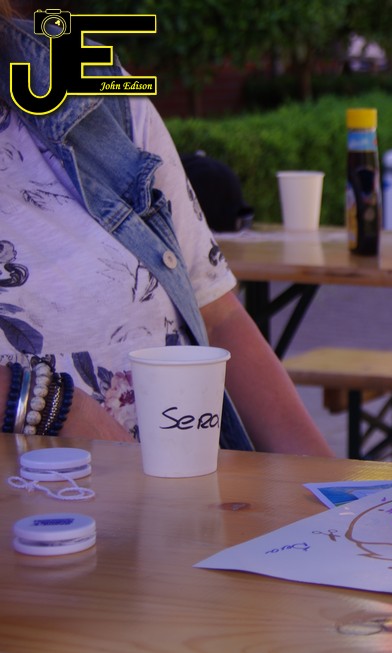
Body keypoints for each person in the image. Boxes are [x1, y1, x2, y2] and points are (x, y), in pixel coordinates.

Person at [0, 8, 333, 456]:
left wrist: (329, 485)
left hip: (182, 493)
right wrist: (42, 403)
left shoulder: (82, 78)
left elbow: (215, 312)